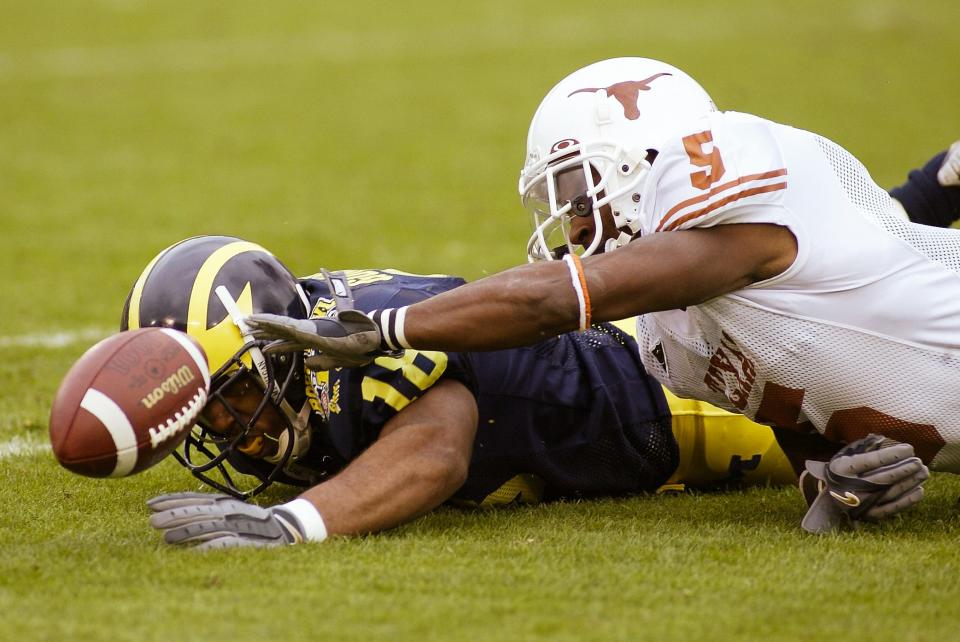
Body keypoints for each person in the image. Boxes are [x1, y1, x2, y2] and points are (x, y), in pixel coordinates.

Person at [244, 57, 960, 533]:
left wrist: (389, 328)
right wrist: (833, 488)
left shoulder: (731, 205)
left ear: (645, 159)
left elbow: (553, 302)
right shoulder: (669, 339)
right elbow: (790, 398)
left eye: (574, 188)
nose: (571, 219)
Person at [126, 235, 796, 550]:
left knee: (859, 442)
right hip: (636, 361)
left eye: (232, 396)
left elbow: (434, 451)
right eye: (204, 407)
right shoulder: (304, 362)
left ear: (275, 359)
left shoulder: (350, 350)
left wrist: (293, 521)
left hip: (684, 397)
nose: (221, 426)